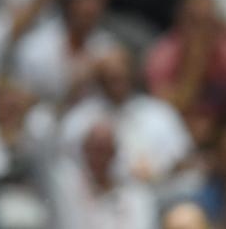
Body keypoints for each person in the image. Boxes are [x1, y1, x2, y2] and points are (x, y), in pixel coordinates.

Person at [145, 0, 226, 148]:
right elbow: (164, 114)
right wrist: (194, 67)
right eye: (194, 22)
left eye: (208, 22)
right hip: (178, 135)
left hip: (222, 134)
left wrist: (221, 134)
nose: (201, 31)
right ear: (179, 22)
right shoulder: (162, 55)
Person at [59, 44, 192, 184]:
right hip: (99, 193)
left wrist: (162, 171)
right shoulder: (82, 117)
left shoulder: (159, 112)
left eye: (121, 76)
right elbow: (67, 159)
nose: (117, 83)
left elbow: (184, 159)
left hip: (159, 190)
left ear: (132, 74)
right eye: (110, 77)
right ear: (99, 79)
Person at [50, 120, 156, 229]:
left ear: (113, 152)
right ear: (84, 151)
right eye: (93, 150)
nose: (98, 158)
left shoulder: (135, 196)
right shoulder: (67, 189)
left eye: (103, 150)